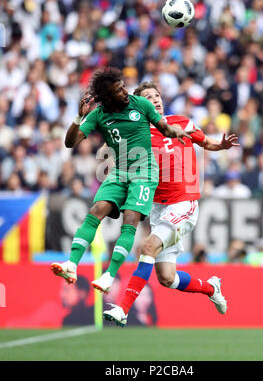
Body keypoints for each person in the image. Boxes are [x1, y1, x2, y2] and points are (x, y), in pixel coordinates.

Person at [103, 81, 240, 326]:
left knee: (147, 248)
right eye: (148, 97)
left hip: (183, 204)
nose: (155, 99)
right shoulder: (136, 135)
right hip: (158, 208)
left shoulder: (181, 122)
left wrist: (221, 145)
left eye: (157, 95)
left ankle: (123, 308)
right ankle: (211, 288)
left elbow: (205, 142)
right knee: (166, 278)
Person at [51, 67, 193, 292]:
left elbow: (164, 128)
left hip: (145, 173)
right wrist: (79, 117)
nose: (125, 91)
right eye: (118, 90)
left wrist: (176, 132)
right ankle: (71, 264)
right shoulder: (98, 115)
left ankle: (109, 276)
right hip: (119, 172)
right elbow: (71, 142)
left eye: (123, 86)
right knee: (96, 211)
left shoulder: (141, 104)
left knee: (130, 221)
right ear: (107, 97)